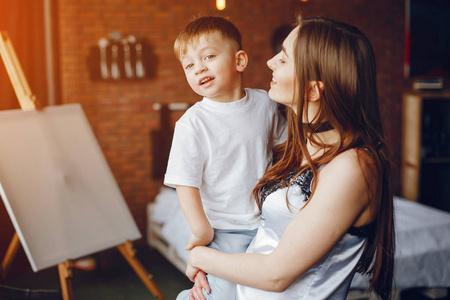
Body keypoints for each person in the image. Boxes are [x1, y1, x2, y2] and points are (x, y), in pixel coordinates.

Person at [185, 15, 395, 300]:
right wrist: (217, 271)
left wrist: (199, 256)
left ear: (312, 89)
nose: (270, 62)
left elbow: (277, 274)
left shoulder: (354, 165)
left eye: (283, 59)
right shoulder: (299, 146)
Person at [164, 16, 287, 300]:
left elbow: (282, 148)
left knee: (259, 291)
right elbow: (185, 182)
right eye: (189, 65)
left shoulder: (265, 103)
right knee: (224, 294)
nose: (200, 68)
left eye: (208, 56)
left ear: (239, 61)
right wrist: (200, 230)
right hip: (222, 229)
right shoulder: (191, 124)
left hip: (264, 223)